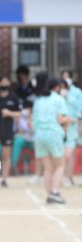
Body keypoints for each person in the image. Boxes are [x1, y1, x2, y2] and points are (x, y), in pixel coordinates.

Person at [32, 73, 69, 204]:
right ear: (57, 87)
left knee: (47, 168)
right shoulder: (59, 99)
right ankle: (55, 192)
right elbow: (61, 119)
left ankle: (49, 194)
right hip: (54, 133)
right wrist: (67, 120)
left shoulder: (39, 100)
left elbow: (34, 121)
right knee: (60, 165)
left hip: (39, 135)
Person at [0, 76, 22, 187]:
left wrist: (9, 113)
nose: (4, 84)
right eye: (2, 82)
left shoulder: (14, 98)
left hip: (7, 130)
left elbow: (19, 114)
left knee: (6, 155)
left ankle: (4, 179)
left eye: (7, 82)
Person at [59, 71, 82, 187]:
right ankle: (64, 176)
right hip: (61, 126)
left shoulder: (77, 92)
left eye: (67, 77)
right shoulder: (59, 92)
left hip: (73, 126)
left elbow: (79, 109)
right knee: (63, 153)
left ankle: (69, 177)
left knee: (69, 153)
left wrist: (78, 123)